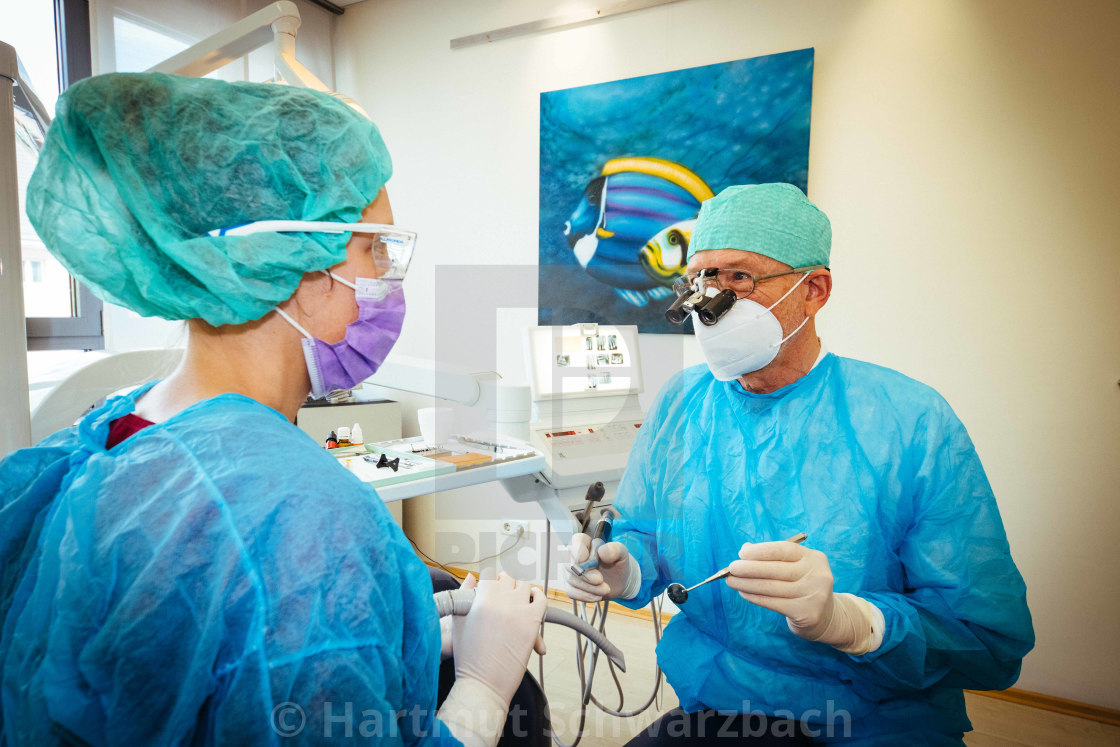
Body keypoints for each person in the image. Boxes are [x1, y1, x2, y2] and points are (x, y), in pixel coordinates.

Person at [0, 72, 546, 746]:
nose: (386, 278)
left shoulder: (113, 429)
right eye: (375, 248)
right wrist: (483, 689)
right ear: (300, 265)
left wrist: (386, 632)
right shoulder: (301, 517)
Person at [565, 184, 1034, 745]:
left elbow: (985, 639)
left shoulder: (908, 421)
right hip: (721, 703)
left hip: (873, 720)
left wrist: (852, 623)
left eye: (739, 278)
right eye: (703, 278)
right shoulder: (682, 404)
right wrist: (627, 567)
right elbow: (646, 531)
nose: (712, 298)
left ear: (813, 291)